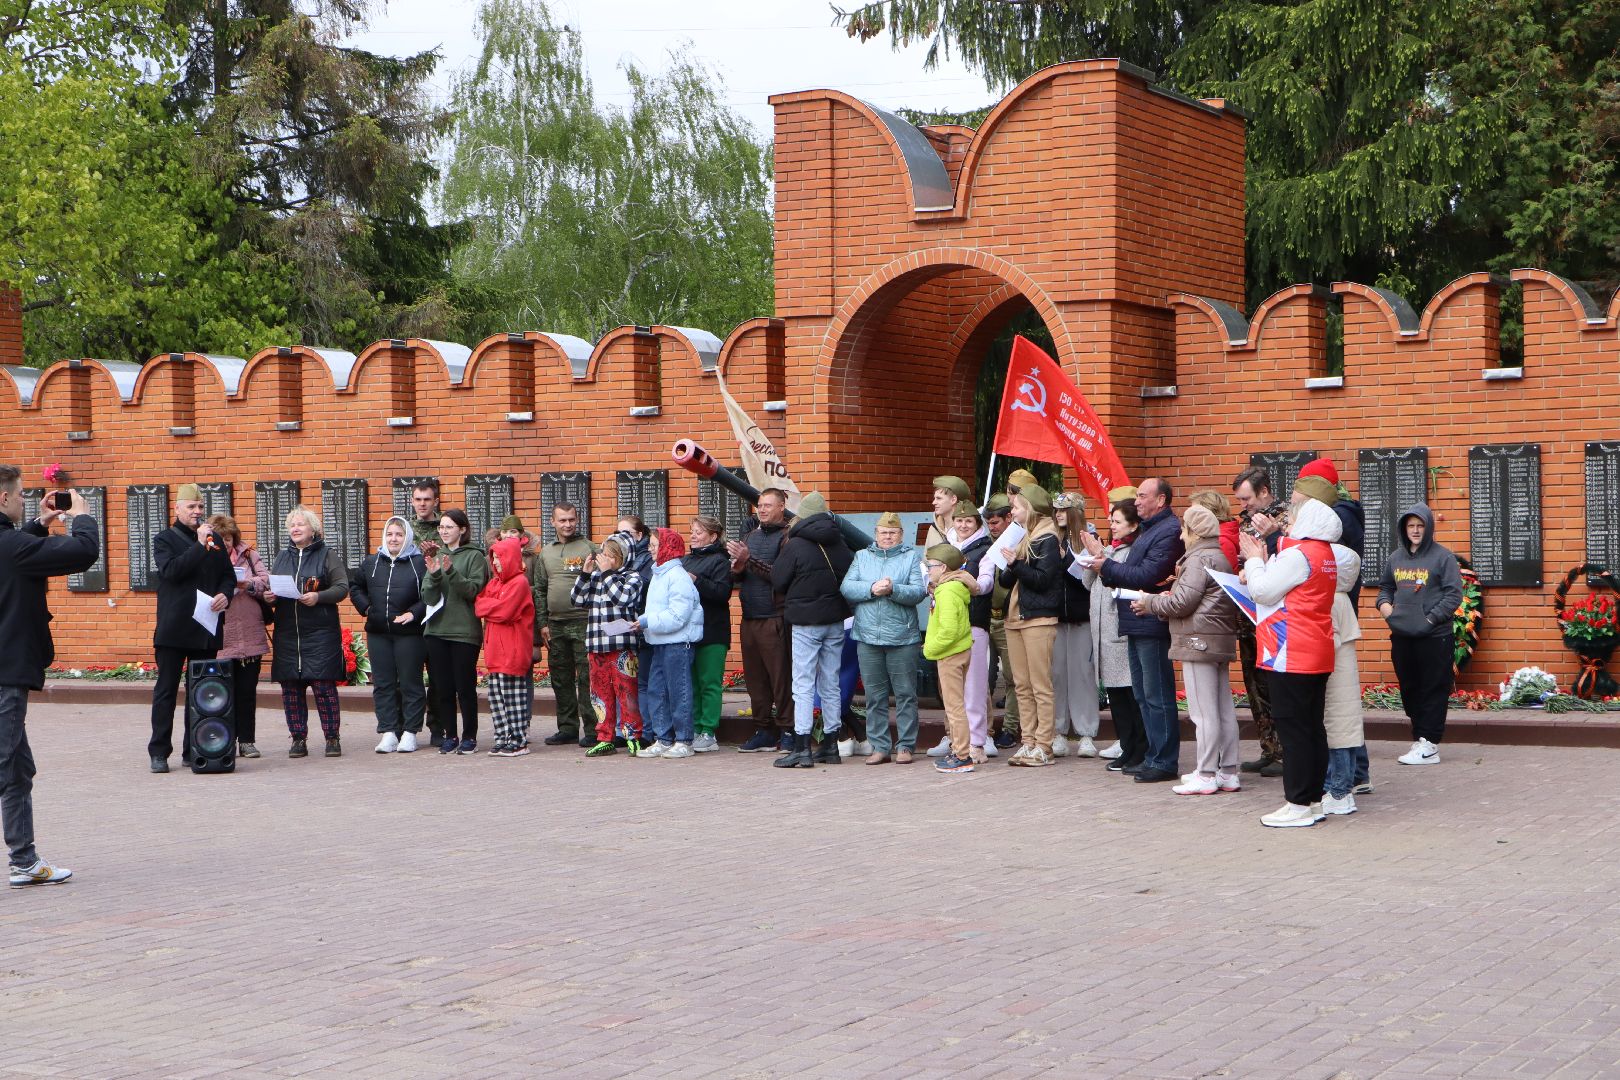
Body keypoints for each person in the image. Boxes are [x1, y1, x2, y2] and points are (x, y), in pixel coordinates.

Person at [0, 468, 98, 886]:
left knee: (18, 770)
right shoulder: (11, 547)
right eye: (21, 496)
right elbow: (83, 553)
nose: (25, 500)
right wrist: (81, 515)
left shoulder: (14, 545)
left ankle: (24, 861)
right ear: (3, 499)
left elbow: (18, 557)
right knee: (4, 765)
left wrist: (39, 524)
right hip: (5, 674)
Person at [1240, 496, 1344, 827]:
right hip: (1314, 649)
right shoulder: (1324, 553)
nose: (1289, 522)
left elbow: (1263, 592)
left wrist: (1256, 561)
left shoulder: (1300, 554)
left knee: (1294, 729)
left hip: (1290, 651)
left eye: (1293, 517)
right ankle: (1312, 800)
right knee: (1311, 727)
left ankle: (1298, 803)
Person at [1083, 477, 1185, 784]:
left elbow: (1148, 574)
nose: (1137, 501)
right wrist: (1106, 564)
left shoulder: (1167, 531)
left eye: (1142, 496)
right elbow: (1135, 574)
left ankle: (1164, 760)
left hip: (1151, 622)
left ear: (1161, 500)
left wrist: (1106, 566)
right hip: (1135, 620)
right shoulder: (1151, 529)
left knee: (1157, 696)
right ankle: (1152, 756)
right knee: (1143, 695)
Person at [1136, 505, 1241, 796]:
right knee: (1222, 710)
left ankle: (1206, 774)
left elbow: (1181, 603)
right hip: (1217, 640)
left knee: (1203, 713)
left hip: (1197, 640)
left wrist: (1149, 602)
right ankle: (1228, 771)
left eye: (1184, 530)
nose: (1181, 537)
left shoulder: (1198, 559)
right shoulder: (1218, 555)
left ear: (1194, 532)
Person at [149, 483, 235, 773]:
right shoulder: (164, 540)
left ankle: (194, 748)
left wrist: (226, 594)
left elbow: (227, 575)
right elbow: (171, 571)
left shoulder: (215, 541)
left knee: (202, 693)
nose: (197, 512)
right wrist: (199, 545)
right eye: (191, 507)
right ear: (176, 509)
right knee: (167, 692)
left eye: (200, 507)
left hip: (205, 628)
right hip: (174, 630)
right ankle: (159, 752)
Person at [771, 491, 854, 768]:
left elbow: (778, 579)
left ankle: (802, 746)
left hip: (806, 621)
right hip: (835, 620)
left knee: (803, 683)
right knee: (830, 682)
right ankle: (831, 745)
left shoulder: (795, 545)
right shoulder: (840, 543)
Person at [1375, 504, 1462, 767]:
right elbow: (1385, 588)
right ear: (1404, 528)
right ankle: (1421, 738)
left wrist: (1430, 619)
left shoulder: (1443, 558)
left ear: (1428, 528)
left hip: (1435, 637)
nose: (1415, 530)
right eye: (1410, 526)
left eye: (1420, 525)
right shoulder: (1395, 558)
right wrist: (1386, 609)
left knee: (1433, 688)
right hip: (1403, 636)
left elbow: (1453, 594)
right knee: (1410, 688)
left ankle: (1430, 743)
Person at [842, 511, 927, 765]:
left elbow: (918, 592)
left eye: (892, 533)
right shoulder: (861, 556)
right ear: (876, 534)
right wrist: (870, 588)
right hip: (867, 636)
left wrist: (893, 589)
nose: (887, 536)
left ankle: (906, 746)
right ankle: (880, 746)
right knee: (874, 696)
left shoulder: (911, 557)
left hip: (902, 637)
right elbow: (847, 587)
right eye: (883, 532)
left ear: (901, 535)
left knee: (905, 694)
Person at [269, 505, 350, 758]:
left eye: (300, 524)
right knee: (291, 690)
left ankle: (332, 737)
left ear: (313, 529)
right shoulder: (282, 556)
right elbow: (273, 587)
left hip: (320, 633)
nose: (295, 528)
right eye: (292, 524)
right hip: (288, 634)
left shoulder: (327, 555)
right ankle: (298, 738)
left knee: (323, 687)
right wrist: (268, 596)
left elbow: (342, 587)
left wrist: (319, 596)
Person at [998, 484, 1064, 766]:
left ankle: (1045, 745)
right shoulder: (1024, 537)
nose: (1012, 511)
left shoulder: (1047, 537)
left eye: (1016, 507)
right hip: (1015, 618)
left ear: (1031, 509)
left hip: (1038, 618)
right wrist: (1011, 564)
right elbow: (1004, 582)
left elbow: (1042, 580)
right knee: (1022, 684)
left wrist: (1016, 565)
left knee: (1040, 685)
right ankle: (1028, 742)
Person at [351, 516, 427, 753]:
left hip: (409, 633)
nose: (394, 539)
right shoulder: (371, 562)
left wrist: (413, 613)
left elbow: (431, 594)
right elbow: (356, 587)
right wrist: (367, 609)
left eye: (399, 534)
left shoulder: (419, 563)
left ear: (407, 537)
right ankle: (388, 731)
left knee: (410, 683)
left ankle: (410, 732)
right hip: (378, 633)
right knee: (383, 684)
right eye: (390, 534)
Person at [729, 488, 794, 752]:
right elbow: (738, 578)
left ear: (782, 507)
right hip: (750, 616)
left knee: (781, 679)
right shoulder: (750, 536)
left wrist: (749, 559)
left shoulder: (788, 537)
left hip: (775, 617)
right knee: (755, 680)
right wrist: (736, 568)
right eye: (759, 505)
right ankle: (763, 729)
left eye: (768, 505)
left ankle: (788, 730)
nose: (762, 510)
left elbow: (781, 576)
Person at [1085, 499, 1147, 774]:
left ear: (1133, 525)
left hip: (1120, 632)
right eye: (1111, 521)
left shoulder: (1133, 552)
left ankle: (1138, 750)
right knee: (1115, 697)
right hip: (1103, 634)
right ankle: (1125, 746)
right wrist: (1092, 561)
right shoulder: (1110, 550)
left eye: (1118, 521)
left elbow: (1124, 581)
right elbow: (1089, 583)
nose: (1112, 526)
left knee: (1131, 696)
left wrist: (1104, 559)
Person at [571, 533, 644, 756]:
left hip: (622, 646)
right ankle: (605, 737)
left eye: (611, 555)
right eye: (604, 554)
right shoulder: (595, 577)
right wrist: (585, 574)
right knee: (599, 695)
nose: (605, 559)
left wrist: (607, 574)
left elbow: (621, 598)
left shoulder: (632, 577)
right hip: (597, 645)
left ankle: (633, 736)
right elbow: (577, 600)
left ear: (623, 557)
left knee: (627, 692)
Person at [422, 508, 488, 755]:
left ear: (462, 529)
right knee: (443, 687)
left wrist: (451, 571)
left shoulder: (474, 557)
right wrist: (434, 575)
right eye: (441, 527)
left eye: (449, 527)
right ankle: (450, 734)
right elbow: (428, 597)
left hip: (463, 631)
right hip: (436, 631)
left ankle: (469, 736)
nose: (444, 531)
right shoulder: (435, 555)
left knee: (465, 687)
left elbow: (473, 591)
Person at [1231, 467, 1282, 775]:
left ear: (1264, 492)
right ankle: (1268, 747)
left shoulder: (1285, 519)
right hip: (1247, 616)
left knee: (1276, 686)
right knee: (1254, 685)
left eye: (1247, 498)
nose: (1243, 505)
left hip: (1272, 617)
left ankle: (1285, 751)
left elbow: (1288, 559)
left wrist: (1273, 534)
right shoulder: (1246, 521)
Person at [637, 527, 702, 759]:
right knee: (657, 691)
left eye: (655, 545)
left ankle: (684, 740)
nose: (650, 549)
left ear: (667, 547)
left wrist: (645, 621)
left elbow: (678, 616)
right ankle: (663, 738)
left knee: (679, 692)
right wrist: (645, 621)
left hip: (677, 643)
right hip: (660, 642)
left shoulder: (677, 576)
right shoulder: (660, 574)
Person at [536, 502, 597, 748]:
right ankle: (567, 727)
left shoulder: (590, 548)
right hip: (555, 625)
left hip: (584, 622)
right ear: (553, 522)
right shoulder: (546, 552)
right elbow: (539, 589)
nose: (567, 524)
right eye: (562, 520)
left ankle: (593, 729)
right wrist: (542, 622)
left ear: (577, 519)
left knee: (587, 678)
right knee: (560, 677)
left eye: (571, 519)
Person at [210, 513, 271, 759]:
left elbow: (266, 581)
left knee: (247, 691)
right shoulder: (206, 558)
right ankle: (223, 741)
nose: (225, 542)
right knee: (221, 694)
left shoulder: (249, 556)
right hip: (222, 635)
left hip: (250, 632)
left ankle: (246, 740)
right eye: (221, 537)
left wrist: (247, 583)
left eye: (228, 537)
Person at [476, 536, 537, 757]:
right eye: (494, 559)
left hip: (512, 650)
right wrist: (493, 606)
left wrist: (492, 607)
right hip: (495, 651)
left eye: (500, 558)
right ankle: (502, 737)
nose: (497, 563)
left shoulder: (519, 583)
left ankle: (518, 740)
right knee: (497, 698)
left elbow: (505, 611)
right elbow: (479, 605)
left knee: (513, 698)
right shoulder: (494, 582)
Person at [1050, 492, 1098, 758]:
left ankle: (1086, 733)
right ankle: (1058, 731)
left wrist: (1066, 559)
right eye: (1055, 510)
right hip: (1055, 618)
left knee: (1082, 674)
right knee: (1056, 675)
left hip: (1082, 616)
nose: (1058, 514)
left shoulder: (1089, 539)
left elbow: (1087, 578)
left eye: (1063, 510)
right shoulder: (1050, 538)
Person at [923, 544, 975, 773]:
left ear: (943, 567)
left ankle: (962, 755)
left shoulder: (947, 591)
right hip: (957, 651)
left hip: (950, 654)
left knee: (954, 708)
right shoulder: (952, 588)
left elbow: (949, 630)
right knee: (955, 705)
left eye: (931, 566)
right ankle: (958, 750)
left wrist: (929, 648)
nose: (928, 570)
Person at [683, 515, 732, 752]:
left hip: (713, 631)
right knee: (692, 683)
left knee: (709, 683)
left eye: (698, 532)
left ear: (713, 536)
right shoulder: (685, 560)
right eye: (692, 531)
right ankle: (694, 727)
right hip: (690, 632)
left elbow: (722, 593)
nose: (693, 535)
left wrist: (696, 580)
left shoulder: (720, 561)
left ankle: (708, 731)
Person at [951, 504, 996, 761]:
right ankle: (959, 739)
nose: (963, 525)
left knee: (975, 685)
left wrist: (975, 585)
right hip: (948, 624)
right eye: (959, 520)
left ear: (977, 524)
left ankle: (977, 742)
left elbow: (987, 581)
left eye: (968, 521)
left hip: (974, 621)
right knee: (951, 686)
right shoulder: (946, 546)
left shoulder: (984, 549)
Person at [980, 495, 1022, 750]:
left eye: (995, 522)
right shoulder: (986, 546)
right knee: (983, 677)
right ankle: (985, 730)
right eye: (989, 523)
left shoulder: (1017, 543)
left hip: (1008, 618)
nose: (992, 527)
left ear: (1009, 518)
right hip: (986, 617)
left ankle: (1009, 727)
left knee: (1012, 677)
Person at [406, 480, 445, 743]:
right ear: (412, 501)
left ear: (436, 501)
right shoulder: (404, 529)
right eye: (418, 499)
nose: (422, 504)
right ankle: (409, 727)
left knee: (439, 673)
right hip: (411, 607)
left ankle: (437, 727)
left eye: (427, 499)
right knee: (409, 674)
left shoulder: (446, 527)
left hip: (440, 608)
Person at [925, 475, 971, 549]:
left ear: (953, 500)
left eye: (939, 498)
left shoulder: (967, 529)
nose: (933, 502)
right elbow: (927, 559)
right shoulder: (933, 528)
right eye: (934, 498)